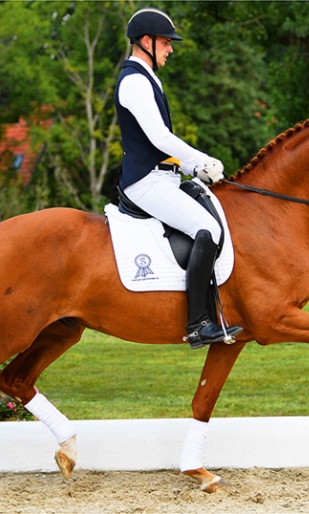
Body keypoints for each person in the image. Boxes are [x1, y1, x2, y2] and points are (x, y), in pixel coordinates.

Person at [114, 7, 243, 349]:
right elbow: (159, 137)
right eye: (166, 42)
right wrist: (200, 160)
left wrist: (191, 168)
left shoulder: (146, 78)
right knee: (208, 229)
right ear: (146, 41)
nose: (170, 49)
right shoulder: (135, 81)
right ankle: (198, 323)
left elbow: (160, 144)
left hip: (164, 177)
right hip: (146, 181)